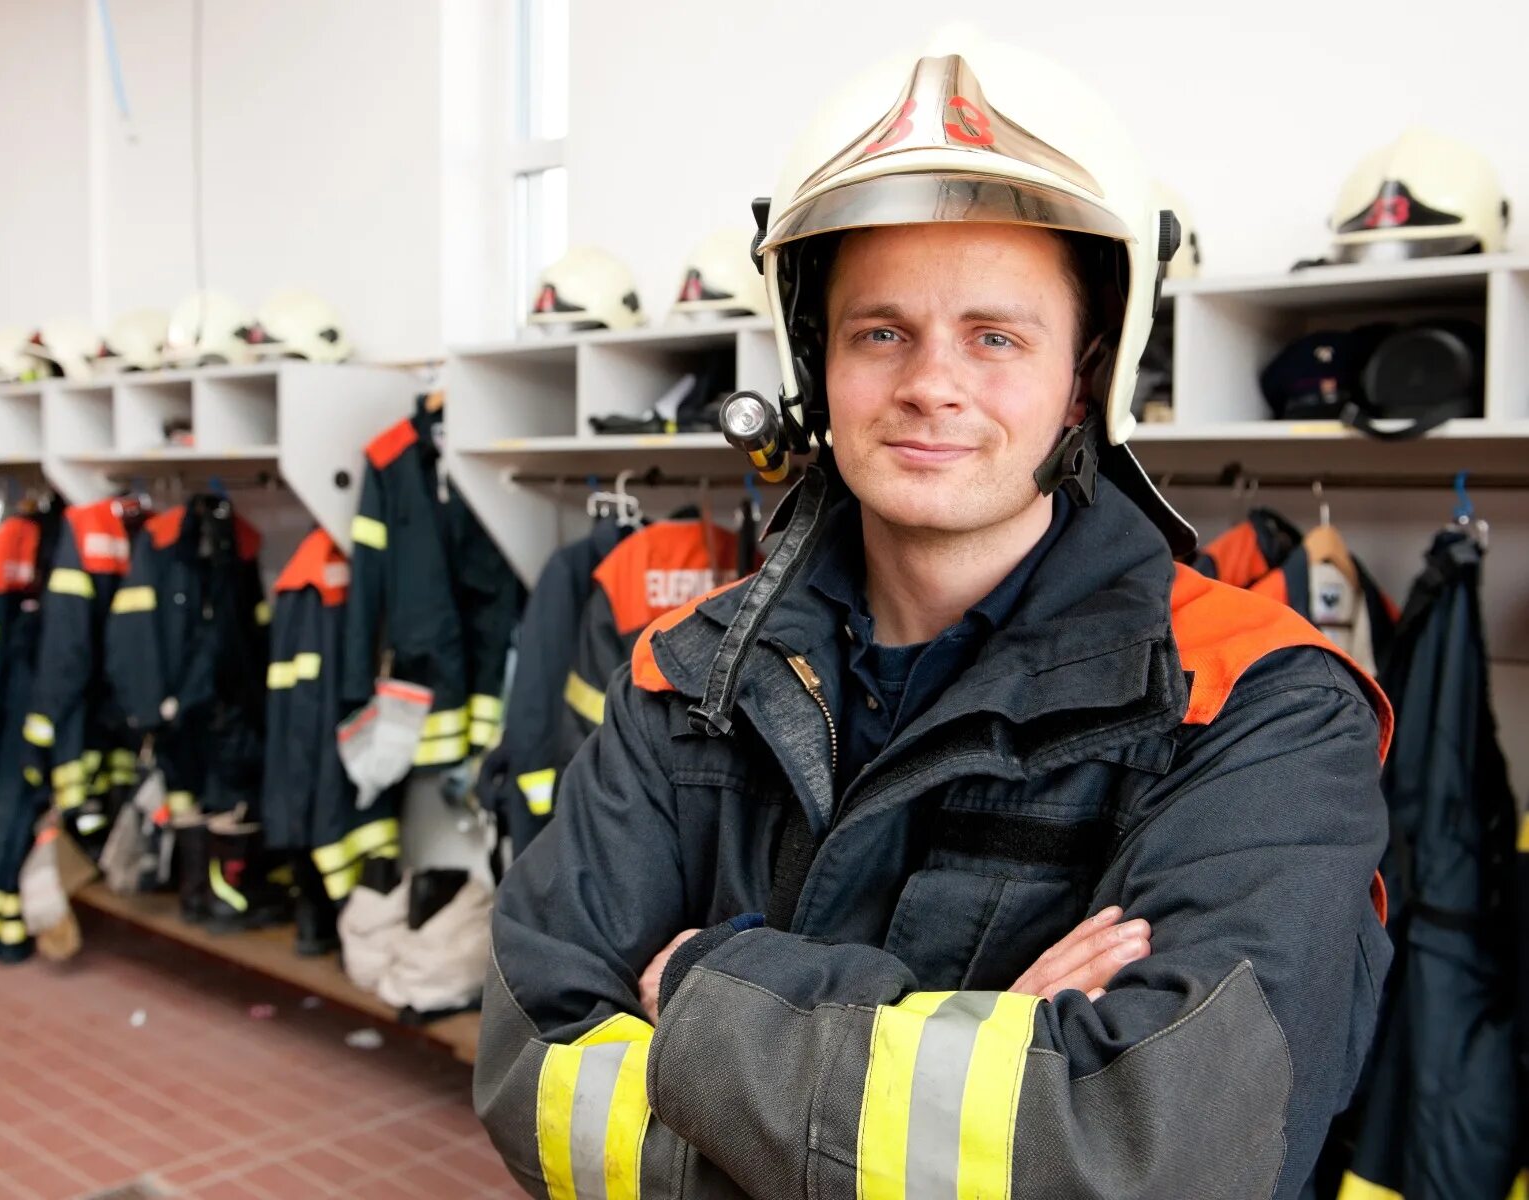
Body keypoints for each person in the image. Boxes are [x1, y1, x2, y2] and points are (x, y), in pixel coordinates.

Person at [476, 29, 1393, 1200]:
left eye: (996, 336)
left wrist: (708, 982)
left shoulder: (1256, 704)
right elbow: (535, 1083)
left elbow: (1162, 1156)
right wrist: (983, 1064)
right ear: (818, 360)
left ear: (1084, 375)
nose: (930, 384)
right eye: (882, 332)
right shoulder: (684, 679)